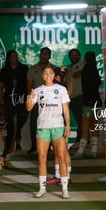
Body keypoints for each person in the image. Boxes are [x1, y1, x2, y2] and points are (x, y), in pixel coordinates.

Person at [26, 65, 71, 199]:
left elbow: (66, 109)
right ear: (42, 75)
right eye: (45, 73)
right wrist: (30, 97)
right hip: (43, 127)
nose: (48, 75)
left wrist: (67, 125)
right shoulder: (38, 90)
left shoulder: (61, 89)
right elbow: (28, 108)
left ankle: (64, 189)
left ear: (53, 74)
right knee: (41, 158)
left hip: (57, 127)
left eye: (50, 72)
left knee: (61, 157)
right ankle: (42, 188)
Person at [0, 50, 29, 160]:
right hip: (9, 99)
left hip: (21, 99)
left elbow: (29, 82)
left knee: (20, 121)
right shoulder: (4, 70)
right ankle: (10, 145)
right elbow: (1, 85)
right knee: (10, 123)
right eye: (12, 56)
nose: (14, 58)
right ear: (9, 58)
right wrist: (1, 101)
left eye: (16, 56)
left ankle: (17, 138)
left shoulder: (24, 68)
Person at [26, 47, 57, 155]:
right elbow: (29, 85)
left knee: (50, 124)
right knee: (34, 123)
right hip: (37, 101)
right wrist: (31, 99)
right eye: (42, 53)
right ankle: (34, 147)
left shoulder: (54, 69)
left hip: (51, 103)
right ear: (39, 55)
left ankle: (48, 148)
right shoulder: (32, 69)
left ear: (50, 56)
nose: (44, 55)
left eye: (46, 54)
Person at [72, 51, 102, 159]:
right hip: (96, 102)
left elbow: (86, 87)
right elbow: (98, 83)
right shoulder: (94, 69)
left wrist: (85, 103)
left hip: (88, 102)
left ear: (85, 59)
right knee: (94, 125)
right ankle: (94, 150)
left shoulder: (85, 70)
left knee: (84, 127)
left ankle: (80, 151)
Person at [64, 48, 84, 143]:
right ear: (69, 57)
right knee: (76, 119)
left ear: (79, 56)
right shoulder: (67, 68)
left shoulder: (83, 65)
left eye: (76, 55)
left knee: (81, 120)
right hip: (69, 97)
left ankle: (81, 140)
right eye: (72, 55)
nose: (74, 57)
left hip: (80, 96)